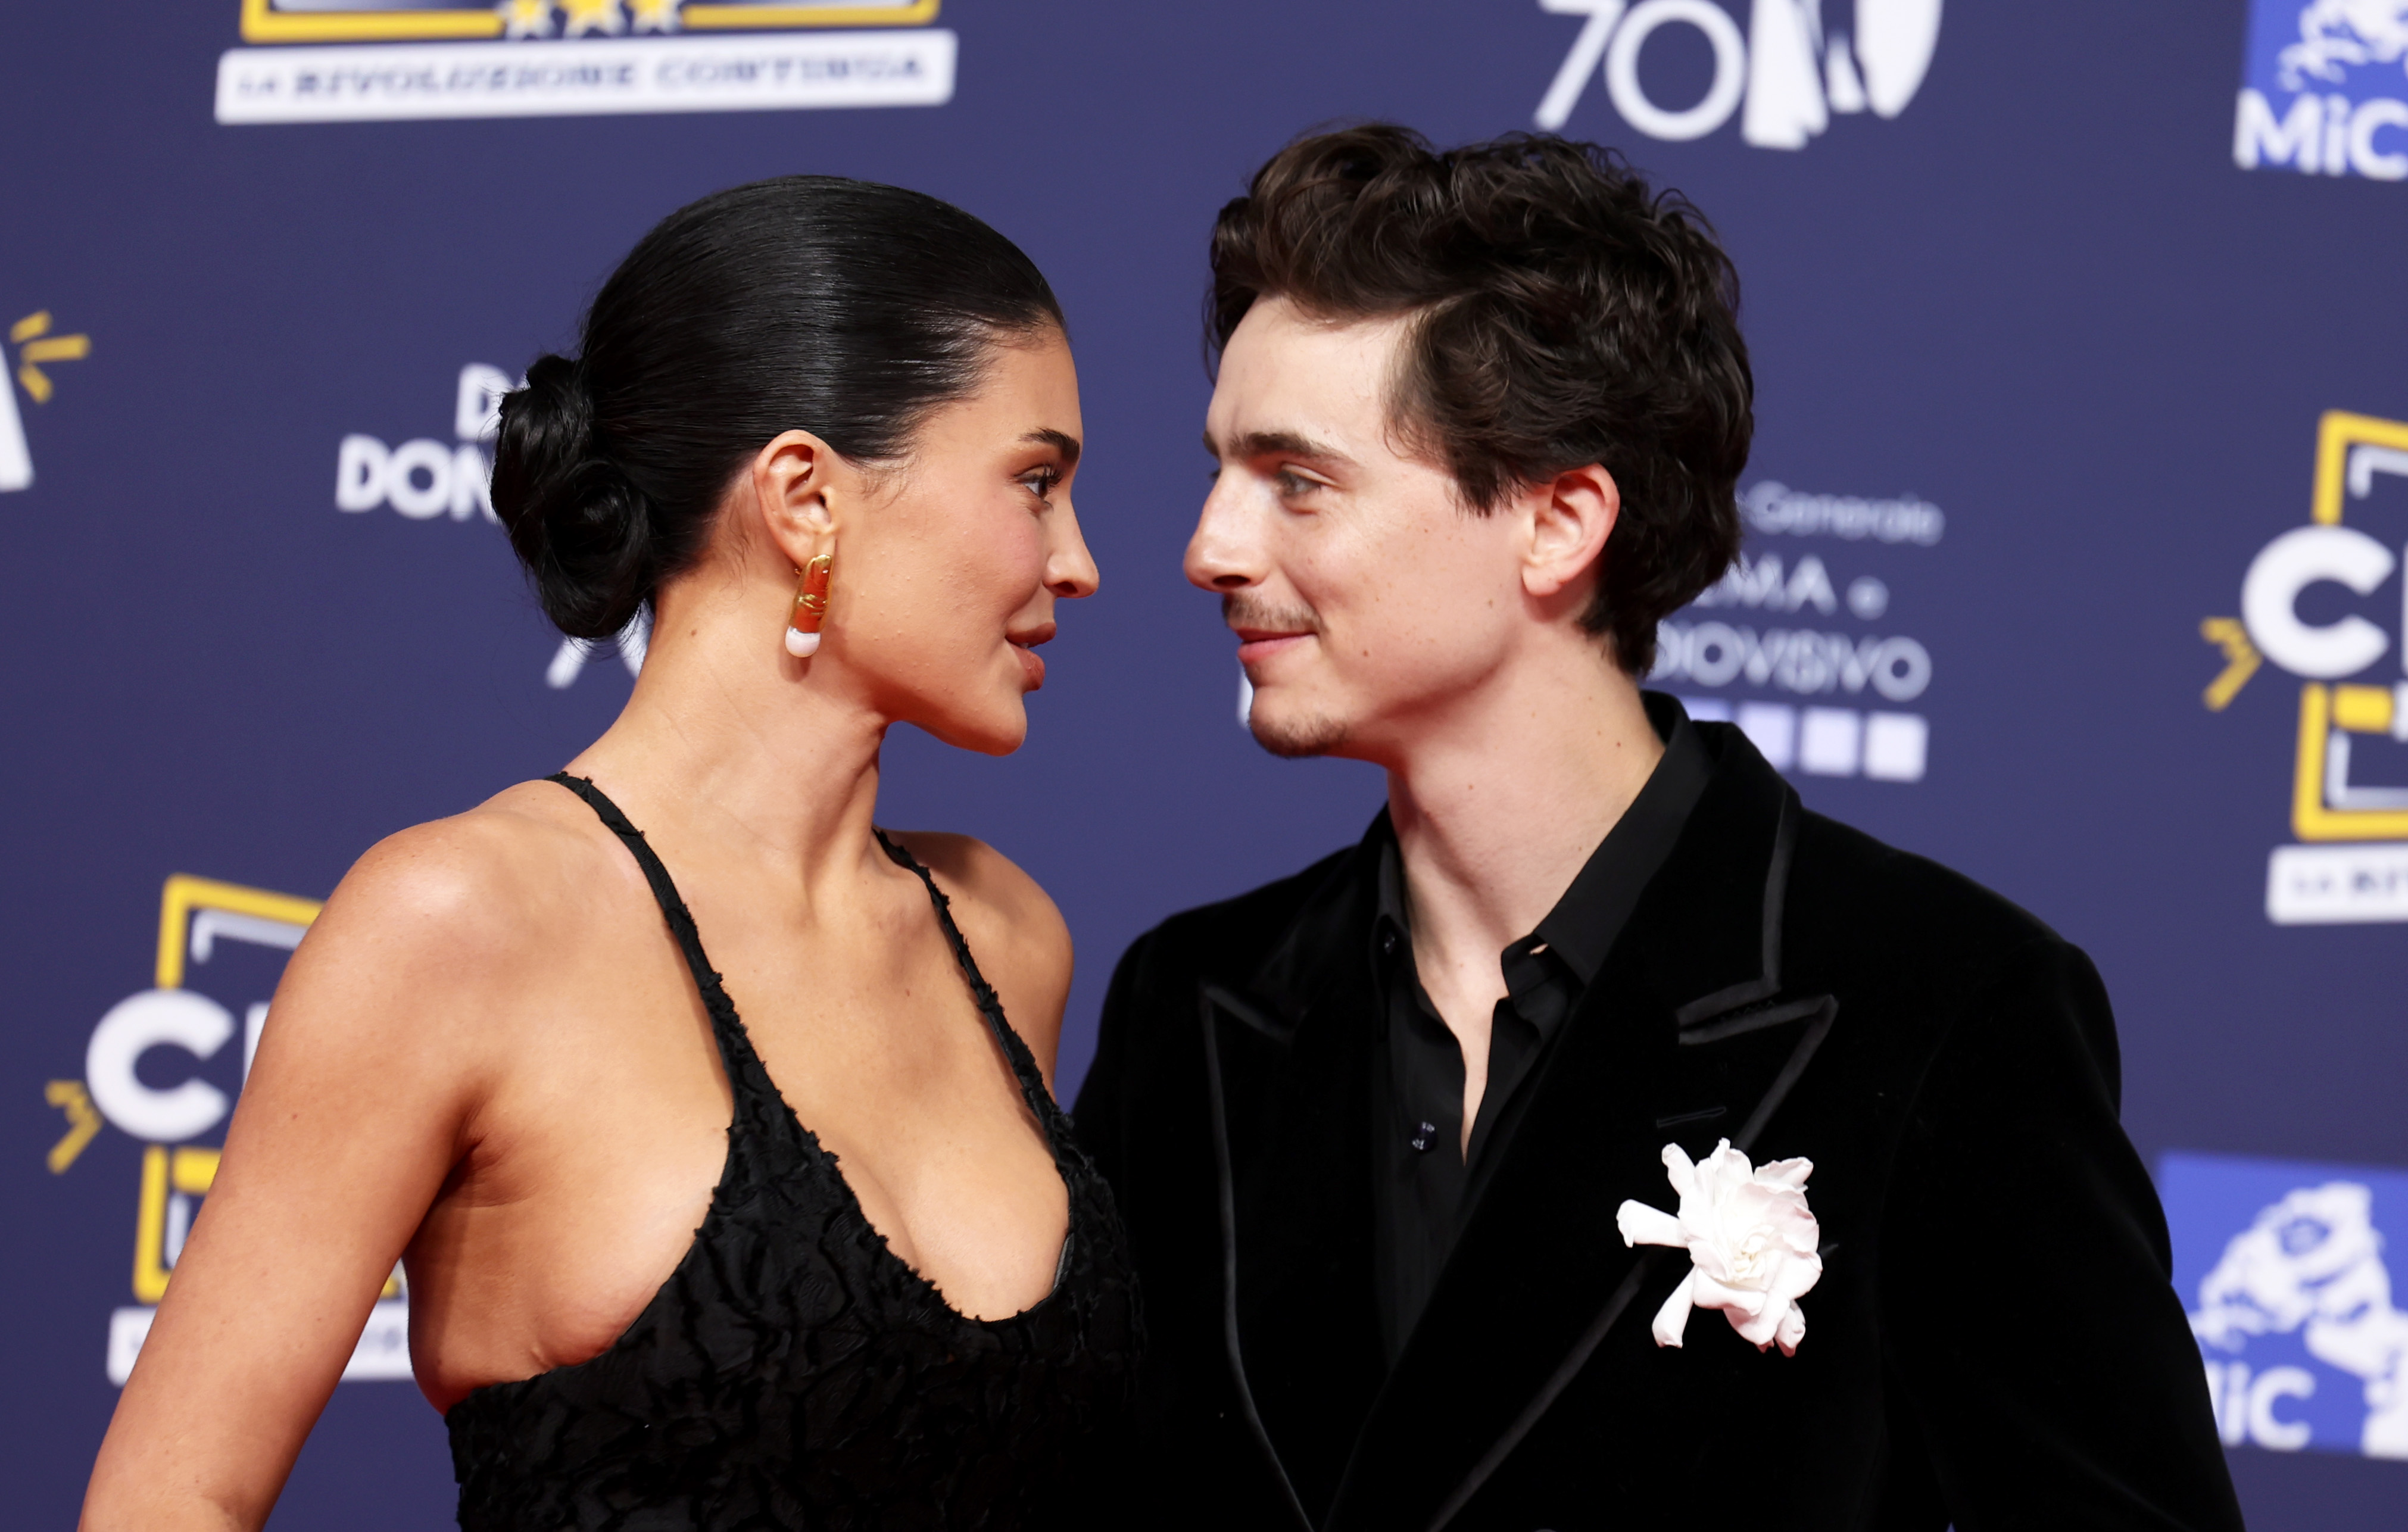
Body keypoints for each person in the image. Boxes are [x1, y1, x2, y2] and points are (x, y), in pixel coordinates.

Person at [1071, 126, 2244, 1532]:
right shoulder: (1190, 1009)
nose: (1210, 546)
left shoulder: (1940, 1003)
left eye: (1296, 481)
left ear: (1559, 523)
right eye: (1219, 471)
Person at [81, 176, 1136, 1531]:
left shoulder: (1000, 934)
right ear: (806, 499)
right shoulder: (461, 922)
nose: (1081, 561)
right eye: (1036, 483)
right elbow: (172, 1505)